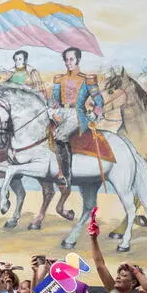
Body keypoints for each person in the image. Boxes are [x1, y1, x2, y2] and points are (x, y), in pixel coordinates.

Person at [49, 46, 104, 187]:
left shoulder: (87, 79)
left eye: (71, 59)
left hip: (77, 114)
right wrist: (53, 113)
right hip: (61, 112)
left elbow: (99, 101)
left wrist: (95, 112)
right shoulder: (58, 79)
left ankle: (66, 176)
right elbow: (54, 101)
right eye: (66, 60)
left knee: (60, 136)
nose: (69, 62)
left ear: (78, 59)